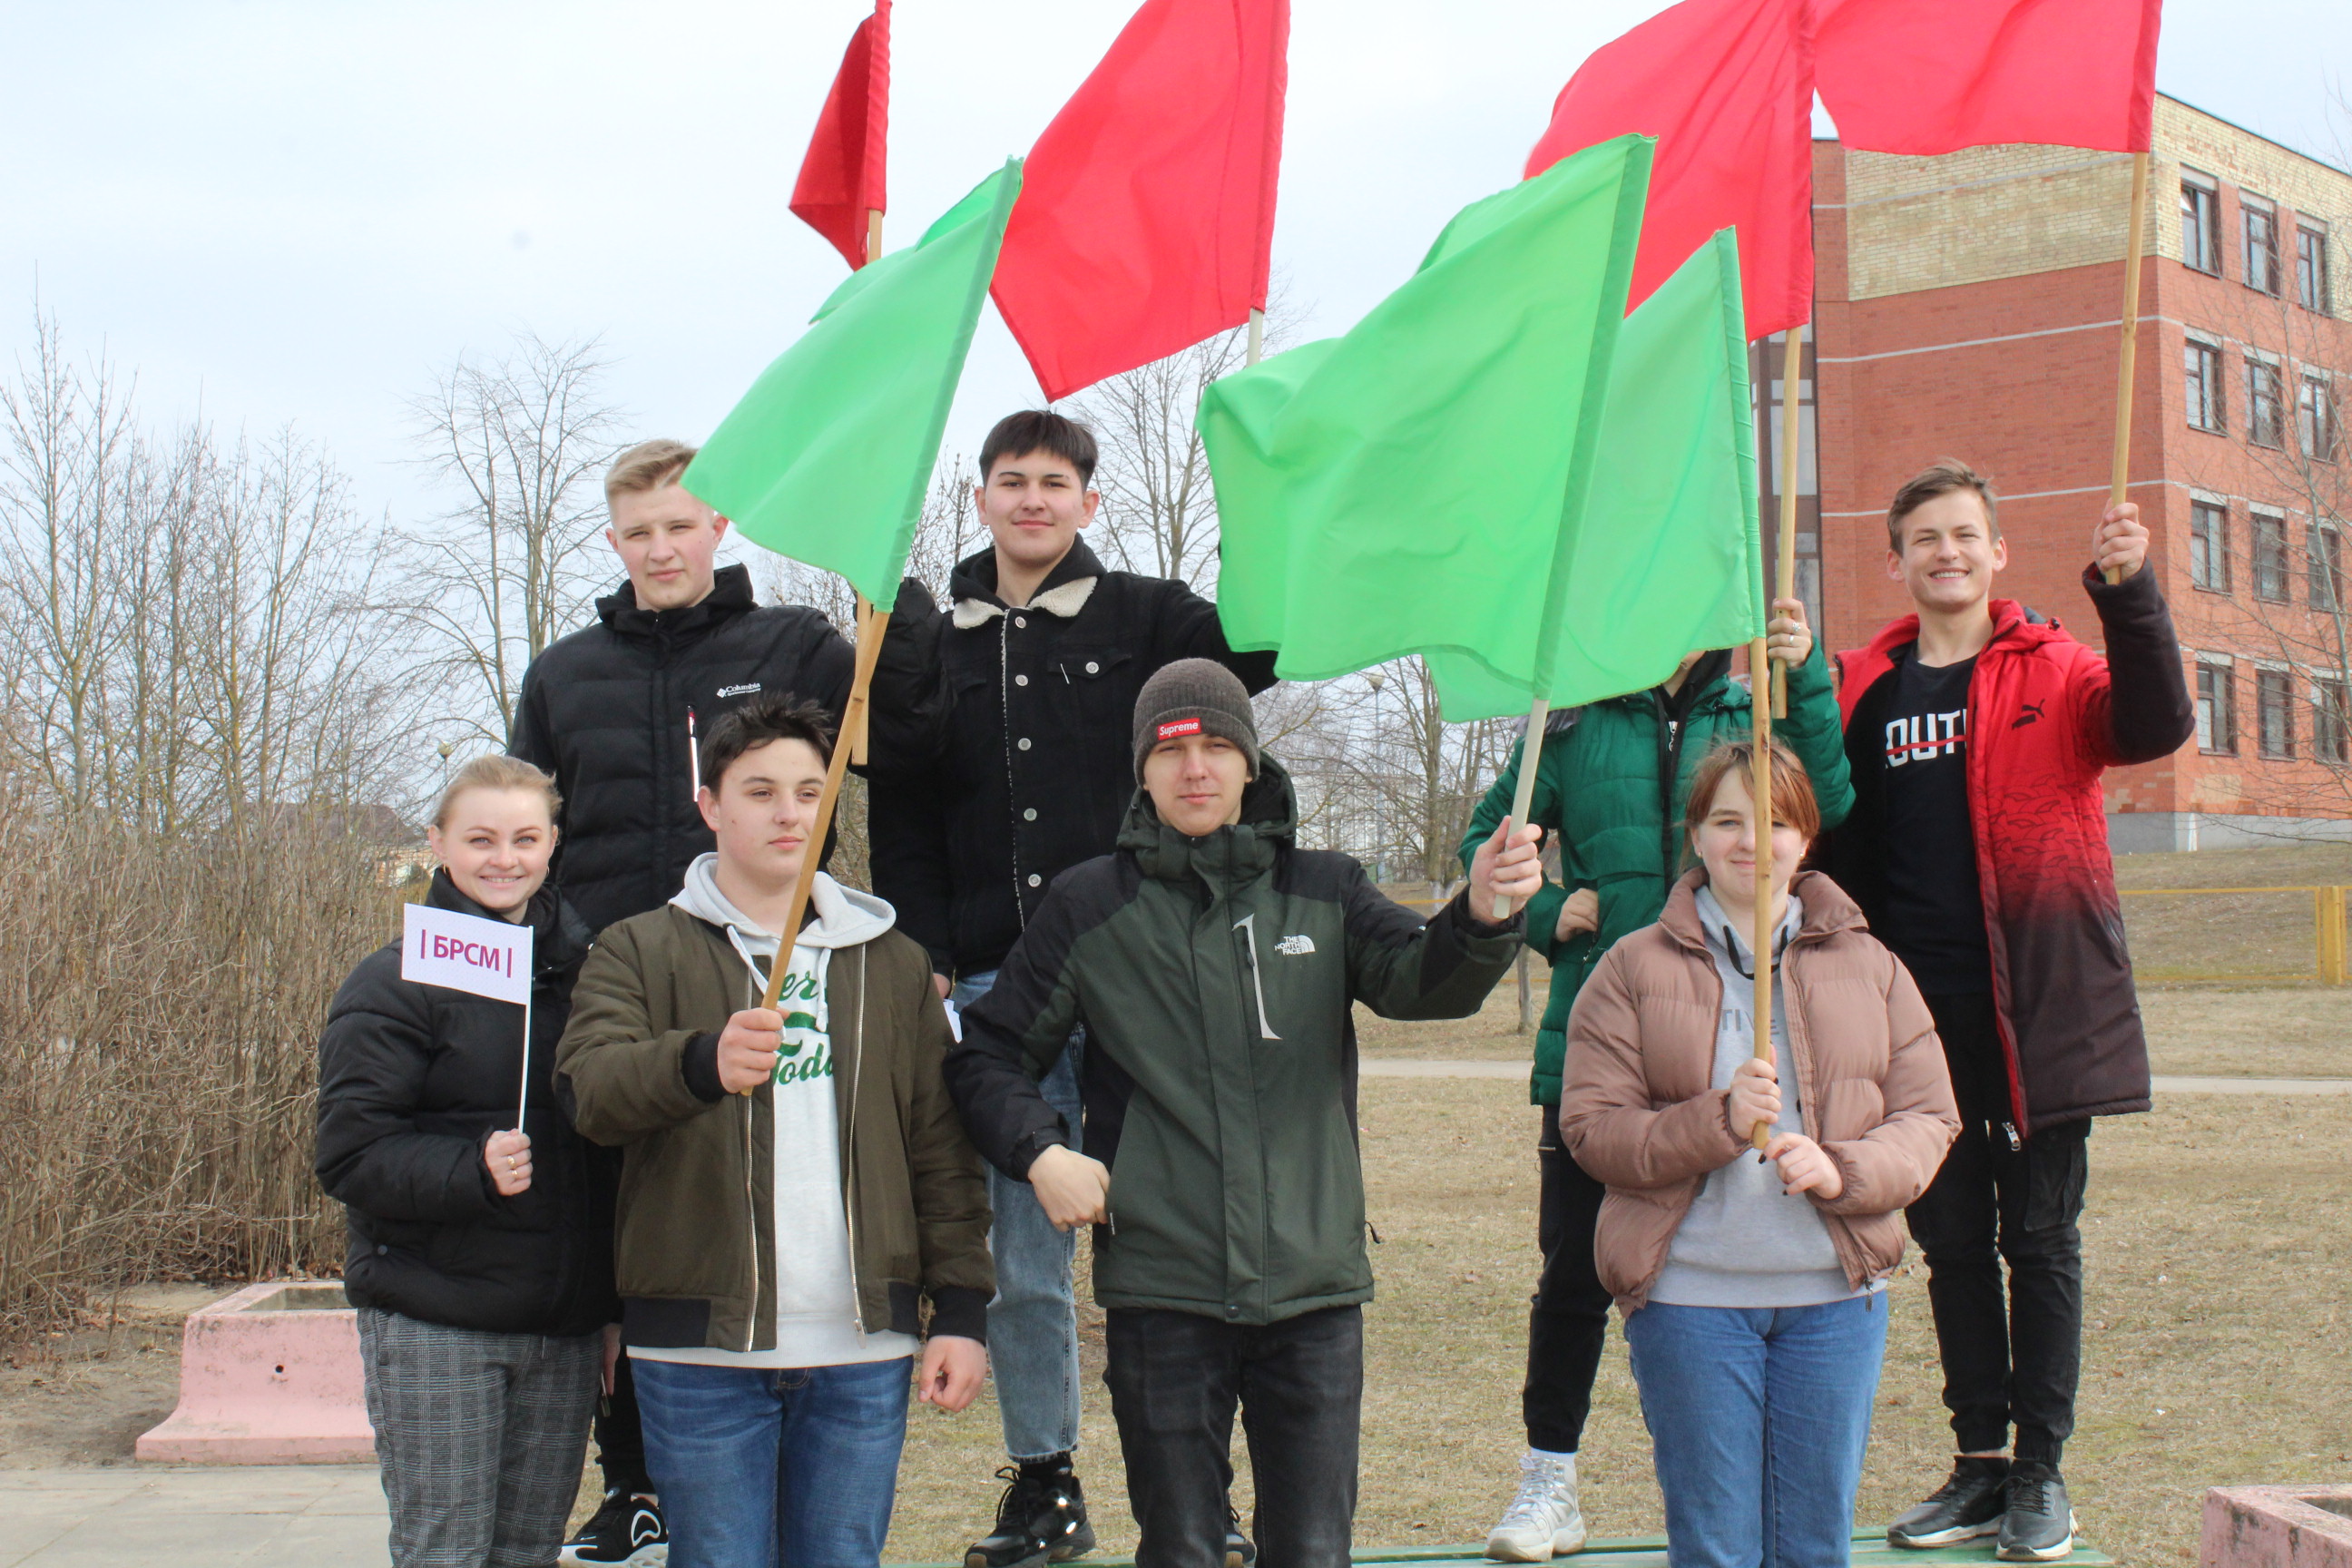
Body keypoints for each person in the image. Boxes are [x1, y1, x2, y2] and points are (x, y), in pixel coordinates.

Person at [946, 660, 1544, 1568]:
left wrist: (1484, 917)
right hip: (1161, 1287)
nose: (1197, 768)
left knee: (1310, 1550)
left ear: (1251, 764)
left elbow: (1425, 985)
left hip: (1312, 1288)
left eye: (1219, 745)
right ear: (1142, 768)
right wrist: (1040, 1154)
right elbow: (986, 1057)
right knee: (1182, 1547)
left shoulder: (1327, 889)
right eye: (1174, 749)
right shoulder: (1089, 904)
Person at [511, 436, 941, 1565]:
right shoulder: (564, 674)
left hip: (776, 960)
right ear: (615, 543)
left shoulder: (791, 642)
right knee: (626, 1222)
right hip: (623, 980)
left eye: (681, 525)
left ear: (720, 529)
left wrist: (888, 591)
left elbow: (894, 736)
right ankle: (631, 1477)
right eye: (639, 531)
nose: (662, 548)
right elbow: (531, 833)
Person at [867, 409, 1277, 1563]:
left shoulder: (1153, 616)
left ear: (1091, 502)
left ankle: (1205, 1491)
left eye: (1056, 483)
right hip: (1006, 986)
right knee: (1025, 1252)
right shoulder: (930, 640)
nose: (1033, 501)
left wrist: (1271, 514)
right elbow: (897, 808)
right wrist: (926, 950)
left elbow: (1263, 649)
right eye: (1011, 482)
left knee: (1180, 1244)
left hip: (1153, 972)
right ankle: (1045, 1480)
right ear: (981, 499)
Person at [1820, 463, 2192, 1561]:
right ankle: (1978, 1464)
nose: (1947, 552)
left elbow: (2156, 721)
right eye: (1925, 537)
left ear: (1997, 553)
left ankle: (2042, 1474)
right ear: (1896, 561)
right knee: (1948, 1244)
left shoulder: (2055, 667)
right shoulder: (1864, 691)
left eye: (1965, 535)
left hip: (2037, 1009)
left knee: (2040, 1240)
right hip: (1912, 1026)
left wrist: (2130, 592)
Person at [554, 693, 992, 1568]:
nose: (789, 812)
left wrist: (964, 1311)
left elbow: (940, 1151)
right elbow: (587, 1090)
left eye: (806, 791)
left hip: (862, 1344)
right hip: (700, 1352)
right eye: (759, 791)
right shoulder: (638, 949)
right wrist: (697, 1064)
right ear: (711, 805)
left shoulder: (892, 962)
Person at [1457, 608, 1852, 1559]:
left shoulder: (1755, 698)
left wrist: (1807, 686)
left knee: (1743, 1270)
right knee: (1573, 1272)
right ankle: (1549, 1479)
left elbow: (1824, 806)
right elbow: (1488, 839)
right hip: (1601, 1044)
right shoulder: (1577, 711)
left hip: (1743, 1047)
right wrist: (1551, 908)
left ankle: (1761, 1496)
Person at [1560, 740, 1959, 1568]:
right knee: (1715, 1545)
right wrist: (1715, 1119)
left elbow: (1928, 1118)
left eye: (1776, 821)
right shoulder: (1629, 970)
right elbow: (1594, 1130)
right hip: (1688, 1302)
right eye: (1728, 821)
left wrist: (1842, 1169)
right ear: (1696, 836)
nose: (1753, 841)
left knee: (1815, 1546)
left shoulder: (1873, 966)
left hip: (1834, 1301)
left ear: (1806, 838)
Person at [317, 756, 617, 1568]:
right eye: (480, 838)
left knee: (526, 1552)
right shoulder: (393, 982)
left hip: (560, 1332)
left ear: (554, 843)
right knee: (444, 1551)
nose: (503, 859)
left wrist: (613, 1302)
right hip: (435, 1322)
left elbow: (613, 1157)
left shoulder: (592, 976)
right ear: (438, 842)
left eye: (524, 838)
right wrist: (470, 1168)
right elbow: (350, 1155)